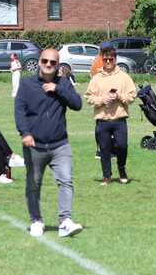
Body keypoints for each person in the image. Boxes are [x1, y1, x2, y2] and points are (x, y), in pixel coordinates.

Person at [15, 48, 84, 237]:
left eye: (53, 62)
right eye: (45, 61)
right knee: (34, 183)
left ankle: (65, 222)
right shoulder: (27, 85)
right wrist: (25, 133)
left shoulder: (64, 84)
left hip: (60, 144)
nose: (48, 64)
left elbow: (77, 105)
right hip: (34, 145)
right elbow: (20, 111)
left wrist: (58, 89)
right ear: (39, 62)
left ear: (57, 65)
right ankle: (36, 221)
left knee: (66, 180)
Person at [86, 45, 137, 185]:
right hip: (102, 120)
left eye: (111, 59)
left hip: (119, 119)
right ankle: (107, 176)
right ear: (102, 59)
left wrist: (119, 97)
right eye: (105, 59)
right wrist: (102, 100)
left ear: (115, 59)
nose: (108, 62)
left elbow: (132, 96)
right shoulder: (96, 78)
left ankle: (121, 167)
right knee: (104, 150)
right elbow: (89, 98)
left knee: (122, 146)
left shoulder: (124, 77)